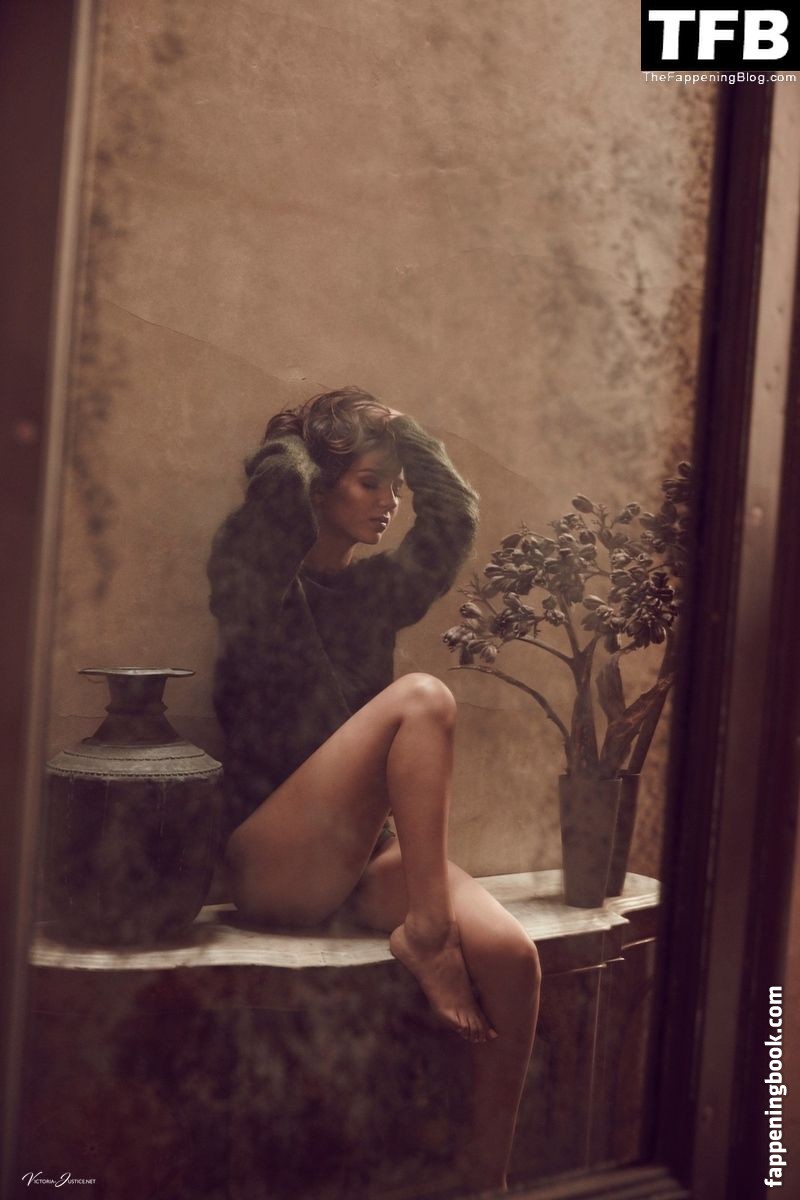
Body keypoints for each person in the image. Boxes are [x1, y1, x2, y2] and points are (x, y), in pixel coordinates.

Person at [207, 387, 541, 1195]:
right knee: (423, 698)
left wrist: (404, 435)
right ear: (319, 488)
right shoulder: (252, 583)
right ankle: (427, 934)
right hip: (273, 860)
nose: (390, 501)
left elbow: (453, 517)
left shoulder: (374, 595)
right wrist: (302, 440)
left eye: (394, 485)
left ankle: (488, 1180)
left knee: (512, 957)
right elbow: (276, 496)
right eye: (369, 483)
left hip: (361, 856)